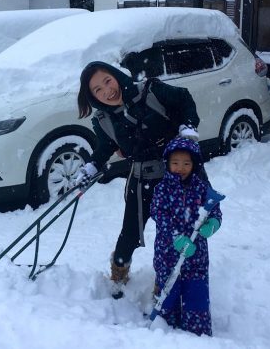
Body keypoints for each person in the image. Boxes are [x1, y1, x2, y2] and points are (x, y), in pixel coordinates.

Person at [75, 60, 200, 298]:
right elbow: (105, 147)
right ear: (92, 97)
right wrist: (92, 166)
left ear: (116, 76)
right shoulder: (104, 120)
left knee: (174, 233)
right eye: (97, 90)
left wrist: (188, 126)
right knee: (130, 233)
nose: (107, 91)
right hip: (140, 178)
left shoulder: (150, 91)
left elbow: (184, 99)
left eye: (107, 81)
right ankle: (119, 270)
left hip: (174, 177)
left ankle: (168, 281)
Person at [150, 136, 222, 336]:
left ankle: (196, 330)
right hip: (168, 254)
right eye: (175, 163)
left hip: (196, 254)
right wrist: (176, 237)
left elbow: (215, 209)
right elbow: (158, 213)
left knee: (196, 292)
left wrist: (213, 223)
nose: (180, 167)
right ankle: (165, 329)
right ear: (167, 163)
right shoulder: (162, 189)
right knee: (169, 291)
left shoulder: (200, 188)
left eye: (186, 163)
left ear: (194, 164)